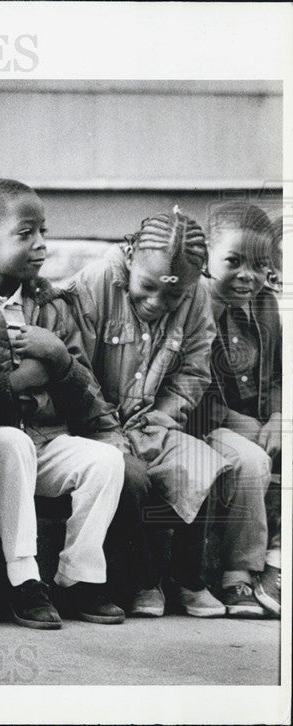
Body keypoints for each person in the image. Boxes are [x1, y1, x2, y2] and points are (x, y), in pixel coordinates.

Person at [0, 178, 126, 627]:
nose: (42, 244)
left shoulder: (53, 304)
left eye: (42, 231)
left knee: (104, 461)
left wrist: (59, 357)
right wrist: (19, 380)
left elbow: (86, 395)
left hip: (46, 443)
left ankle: (78, 577)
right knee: (12, 444)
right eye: (26, 234)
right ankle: (24, 580)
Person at [67, 206, 229, 618]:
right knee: (132, 476)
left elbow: (194, 370)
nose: (159, 302)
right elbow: (75, 366)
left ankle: (186, 579)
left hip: (150, 422)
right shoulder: (97, 281)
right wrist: (105, 427)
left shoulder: (198, 297)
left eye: (173, 294)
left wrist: (162, 419)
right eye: (148, 287)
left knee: (200, 464)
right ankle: (141, 581)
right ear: (129, 254)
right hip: (91, 425)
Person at [186, 201, 281, 617]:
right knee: (253, 462)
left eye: (260, 266)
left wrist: (279, 416)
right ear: (207, 255)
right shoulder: (195, 303)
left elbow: (278, 374)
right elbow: (190, 382)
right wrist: (237, 422)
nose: (248, 276)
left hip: (262, 421)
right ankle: (238, 574)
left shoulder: (266, 306)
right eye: (233, 262)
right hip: (204, 423)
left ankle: (276, 562)